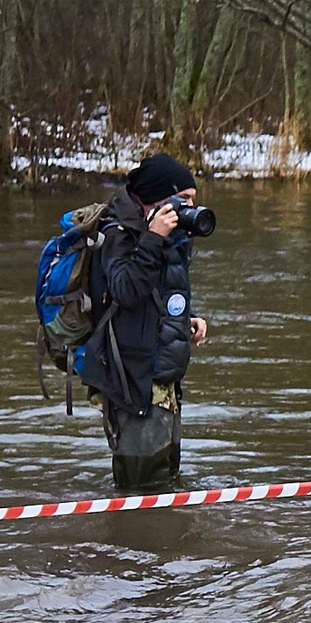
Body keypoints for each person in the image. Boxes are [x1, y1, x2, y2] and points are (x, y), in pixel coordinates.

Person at [87, 152, 212, 487]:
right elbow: (125, 290)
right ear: (158, 198)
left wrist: (188, 317)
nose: (189, 208)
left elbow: (161, 290)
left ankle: (162, 538)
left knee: (167, 482)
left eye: (192, 200)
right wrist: (153, 237)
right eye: (183, 199)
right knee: (141, 489)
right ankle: (130, 539)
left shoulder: (173, 236)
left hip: (164, 377)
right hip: (133, 380)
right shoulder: (118, 234)